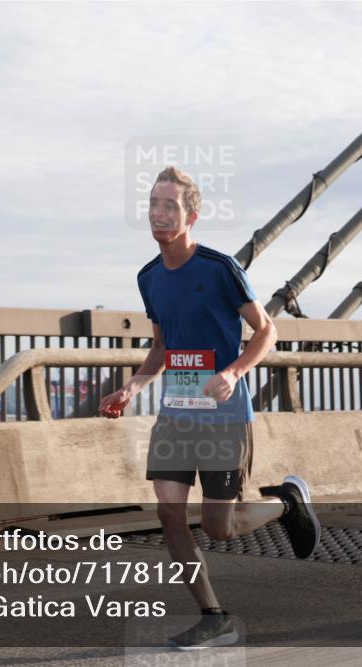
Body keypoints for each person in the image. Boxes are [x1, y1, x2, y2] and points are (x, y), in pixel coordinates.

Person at [99, 166, 320, 650]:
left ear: (191, 215)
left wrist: (234, 372)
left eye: (170, 205)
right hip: (177, 409)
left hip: (223, 413)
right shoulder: (149, 277)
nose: (159, 213)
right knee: (170, 514)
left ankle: (286, 502)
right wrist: (132, 388)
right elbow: (162, 348)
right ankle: (213, 617)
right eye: (154, 204)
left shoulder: (220, 269)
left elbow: (266, 331)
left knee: (220, 527)